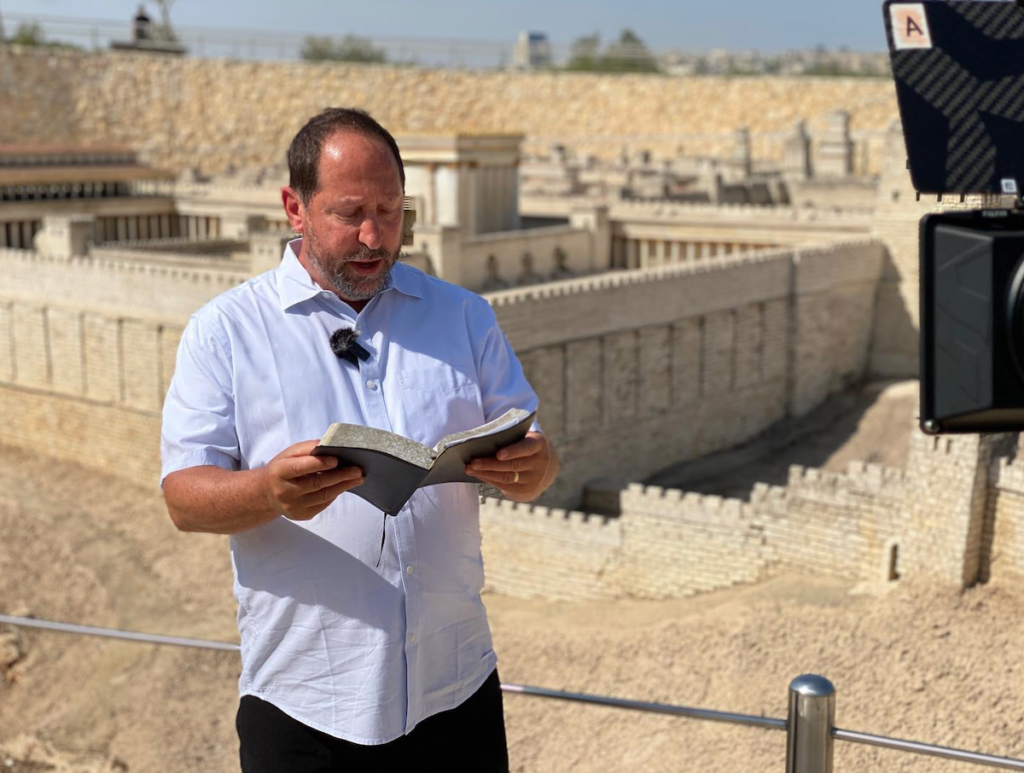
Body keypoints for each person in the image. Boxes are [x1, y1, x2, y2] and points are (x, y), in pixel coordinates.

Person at [160, 107, 559, 772]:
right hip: (306, 708)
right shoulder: (225, 331)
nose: (375, 235)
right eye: (350, 213)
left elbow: (537, 455)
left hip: (456, 694)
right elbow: (183, 498)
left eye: (392, 210)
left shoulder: (464, 316)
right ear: (295, 207)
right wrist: (268, 489)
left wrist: (534, 467)